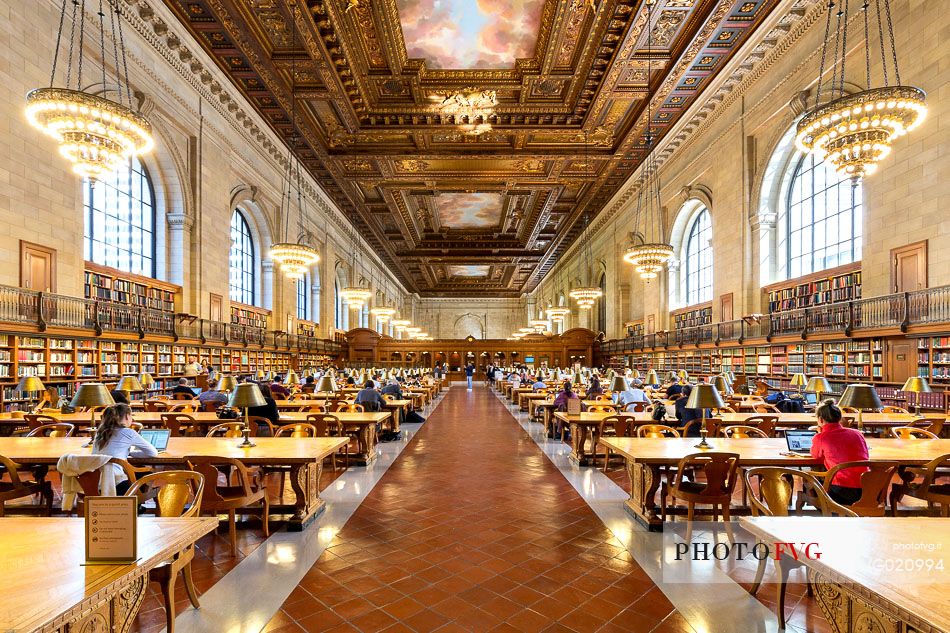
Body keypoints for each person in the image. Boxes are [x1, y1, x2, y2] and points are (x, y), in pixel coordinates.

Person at [810, 399, 869, 506]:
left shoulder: (821, 437)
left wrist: (820, 434)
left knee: (810, 481)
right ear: (839, 418)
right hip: (867, 488)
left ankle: (829, 511)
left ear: (820, 419)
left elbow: (816, 456)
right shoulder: (857, 433)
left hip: (841, 490)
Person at [92, 403, 158, 494]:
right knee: (147, 473)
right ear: (127, 416)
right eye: (131, 416)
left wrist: (129, 453)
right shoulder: (128, 433)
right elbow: (153, 453)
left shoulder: (99, 433)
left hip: (96, 480)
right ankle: (137, 501)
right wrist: (132, 453)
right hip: (117, 482)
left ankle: (137, 504)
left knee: (138, 471)